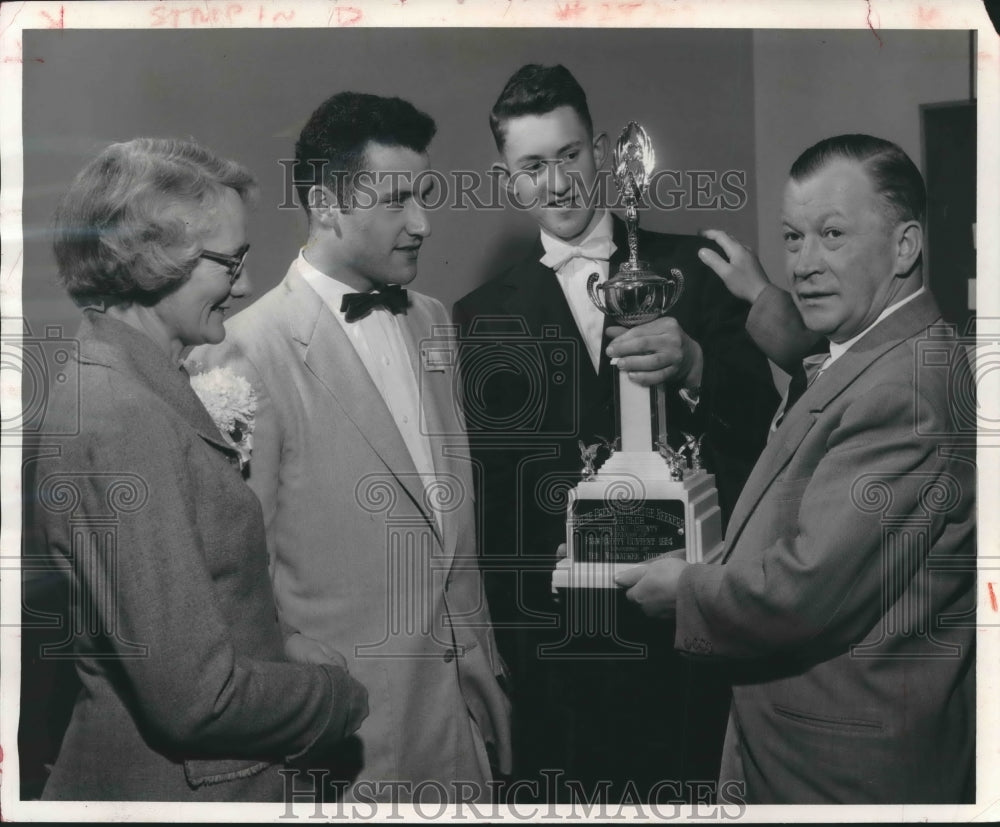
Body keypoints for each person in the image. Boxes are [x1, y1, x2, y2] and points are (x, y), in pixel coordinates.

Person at [452, 64, 780, 798]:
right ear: (506, 178)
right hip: (564, 659)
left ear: (599, 151)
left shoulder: (692, 271)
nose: (558, 183)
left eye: (569, 156)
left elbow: (765, 424)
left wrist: (695, 362)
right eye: (533, 166)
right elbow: (495, 505)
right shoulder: (477, 316)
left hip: (685, 638)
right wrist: (518, 660)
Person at [616, 134, 976, 803]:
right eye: (792, 237)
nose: (804, 263)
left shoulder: (906, 393)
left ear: (905, 246)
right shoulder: (891, 349)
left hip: (842, 776)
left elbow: (804, 590)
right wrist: (760, 294)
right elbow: (824, 374)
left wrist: (684, 589)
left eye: (831, 234)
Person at [29, 138, 369, 801]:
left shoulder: (128, 382)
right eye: (230, 261)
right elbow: (196, 698)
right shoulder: (124, 415)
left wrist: (276, 644)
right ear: (156, 261)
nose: (244, 283)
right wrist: (337, 696)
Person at [195, 92, 511, 803]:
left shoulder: (432, 321)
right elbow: (238, 585)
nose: (424, 222)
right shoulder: (239, 354)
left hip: (463, 731)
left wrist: (484, 678)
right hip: (347, 750)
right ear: (326, 204)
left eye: (424, 195)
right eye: (397, 200)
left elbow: (445, 524)